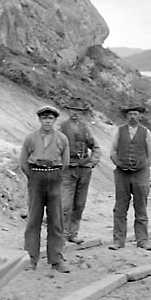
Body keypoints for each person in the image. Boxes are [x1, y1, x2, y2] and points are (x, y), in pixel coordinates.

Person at [19, 105, 70, 272]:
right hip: (36, 177)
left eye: (50, 118)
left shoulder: (62, 139)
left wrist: (53, 174)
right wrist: (34, 176)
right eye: (44, 118)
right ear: (39, 120)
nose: (47, 121)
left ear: (55, 120)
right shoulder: (30, 138)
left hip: (54, 177)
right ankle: (30, 259)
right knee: (34, 219)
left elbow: (66, 163)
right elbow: (23, 162)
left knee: (56, 220)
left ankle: (56, 260)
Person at [109, 103, 151, 251]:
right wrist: (119, 164)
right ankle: (118, 241)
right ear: (126, 116)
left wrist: (142, 166)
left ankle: (142, 241)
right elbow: (113, 151)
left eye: (135, 114)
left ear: (140, 116)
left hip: (140, 174)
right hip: (122, 174)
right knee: (120, 208)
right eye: (130, 114)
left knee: (141, 208)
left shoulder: (146, 132)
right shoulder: (119, 131)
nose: (133, 117)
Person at [58, 98, 101, 244]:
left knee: (79, 204)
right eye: (72, 110)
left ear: (81, 113)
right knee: (65, 204)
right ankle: (61, 235)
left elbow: (95, 147)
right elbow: (55, 147)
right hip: (68, 171)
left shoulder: (86, 128)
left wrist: (93, 162)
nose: (74, 113)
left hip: (84, 170)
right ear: (68, 111)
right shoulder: (61, 127)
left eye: (77, 111)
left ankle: (72, 233)